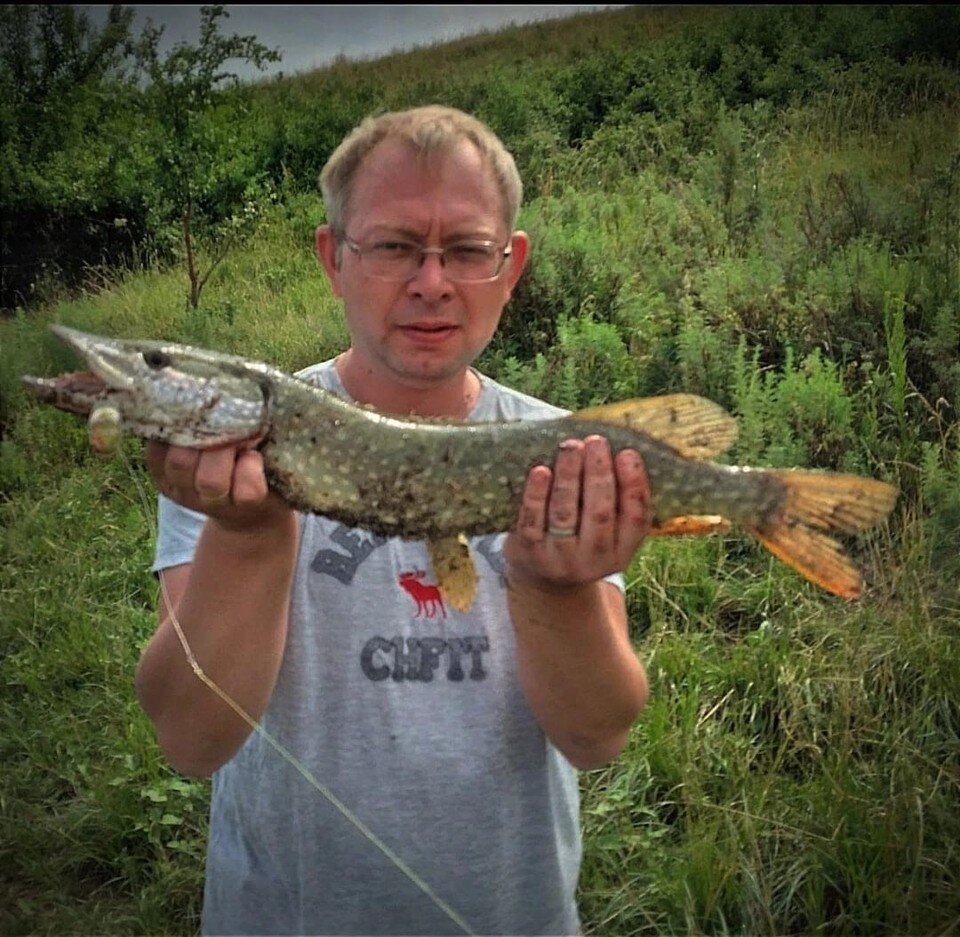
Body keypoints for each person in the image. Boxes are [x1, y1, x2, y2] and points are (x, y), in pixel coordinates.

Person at [137, 104, 651, 937]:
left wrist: (557, 591)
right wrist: (247, 536)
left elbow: (598, 735)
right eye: (393, 245)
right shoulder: (236, 444)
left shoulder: (565, 453)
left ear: (511, 264)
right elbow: (189, 743)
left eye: (468, 249)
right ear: (333, 257)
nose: (432, 281)